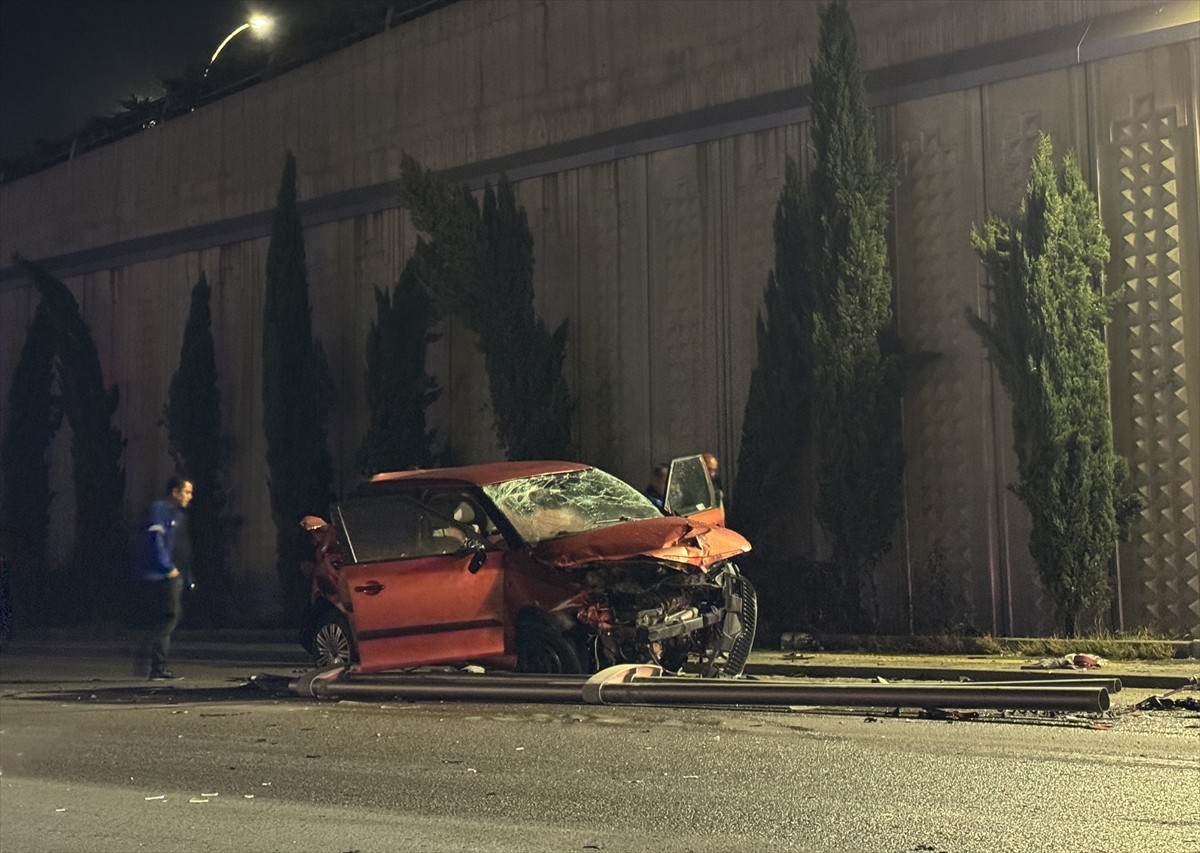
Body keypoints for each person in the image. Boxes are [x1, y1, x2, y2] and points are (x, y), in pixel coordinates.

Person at [132, 476, 193, 680]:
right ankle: (157, 667)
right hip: (161, 575)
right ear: (174, 492)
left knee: (163, 620)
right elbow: (156, 539)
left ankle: (150, 661)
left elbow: (181, 548)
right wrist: (167, 567)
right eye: (186, 492)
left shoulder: (178, 515)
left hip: (171, 574)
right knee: (168, 618)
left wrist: (186, 576)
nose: (189, 497)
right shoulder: (160, 509)